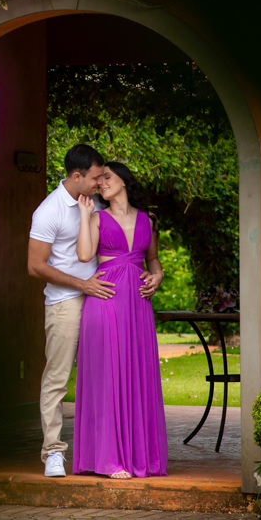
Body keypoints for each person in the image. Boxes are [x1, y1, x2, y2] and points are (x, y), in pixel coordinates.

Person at [73, 161, 167, 479]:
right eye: (99, 180)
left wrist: (158, 277)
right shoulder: (97, 217)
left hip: (138, 305)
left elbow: (153, 260)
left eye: (107, 177)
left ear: (124, 180)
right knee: (109, 376)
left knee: (137, 375)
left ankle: (139, 455)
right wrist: (84, 216)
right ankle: (110, 459)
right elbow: (84, 255)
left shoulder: (148, 219)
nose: (101, 183)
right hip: (106, 300)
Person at [27, 144, 111, 478]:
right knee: (57, 378)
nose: (100, 182)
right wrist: (81, 285)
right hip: (65, 303)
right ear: (77, 176)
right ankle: (53, 451)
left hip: (99, 298)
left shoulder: (97, 201)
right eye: (95, 177)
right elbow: (35, 266)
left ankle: (104, 449)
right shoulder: (48, 211)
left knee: (102, 375)